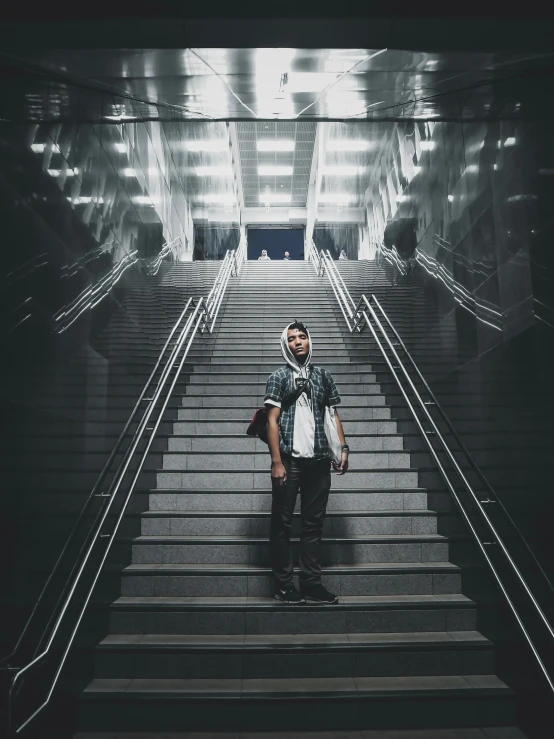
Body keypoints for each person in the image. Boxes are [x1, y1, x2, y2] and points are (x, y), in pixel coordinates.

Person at [264, 321, 349, 605]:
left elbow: (332, 414)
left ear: (310, 341)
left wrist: (343, 448)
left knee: (313, 524)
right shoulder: (278, 376)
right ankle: (284, 584)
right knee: (282, 524)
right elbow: (272, 420)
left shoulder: (323, 376)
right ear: (284, 344)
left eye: (302, 337)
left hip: (319, 462)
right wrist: (277, 462)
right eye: (291, 338)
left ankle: (311, 584)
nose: (298, 342)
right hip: (289, 461)